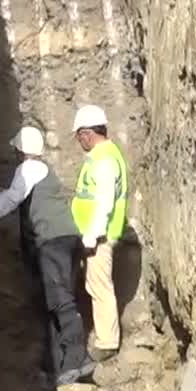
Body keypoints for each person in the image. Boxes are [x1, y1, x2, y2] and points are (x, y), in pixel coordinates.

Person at [0, 126, 94, 387]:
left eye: (16, 150)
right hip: (61, 240)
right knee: (52, 300)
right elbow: (14, 194)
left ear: (20, 151)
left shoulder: (30, 169)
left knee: (60, 300)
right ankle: (59, 368)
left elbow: (12, 198)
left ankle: (77, 360)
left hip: (54, 241)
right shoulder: (38, 171)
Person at [70, 104, 128, 360]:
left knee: (99, 287)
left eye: (79, 136)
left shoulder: (104, 160)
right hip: (95, 234)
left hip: (99, 237)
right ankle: (105, 338)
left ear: (86, 134)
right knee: (95, 285)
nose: (79, 142)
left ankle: (106, 343)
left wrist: (92, 235)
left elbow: (104, 202)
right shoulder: (105, 155)